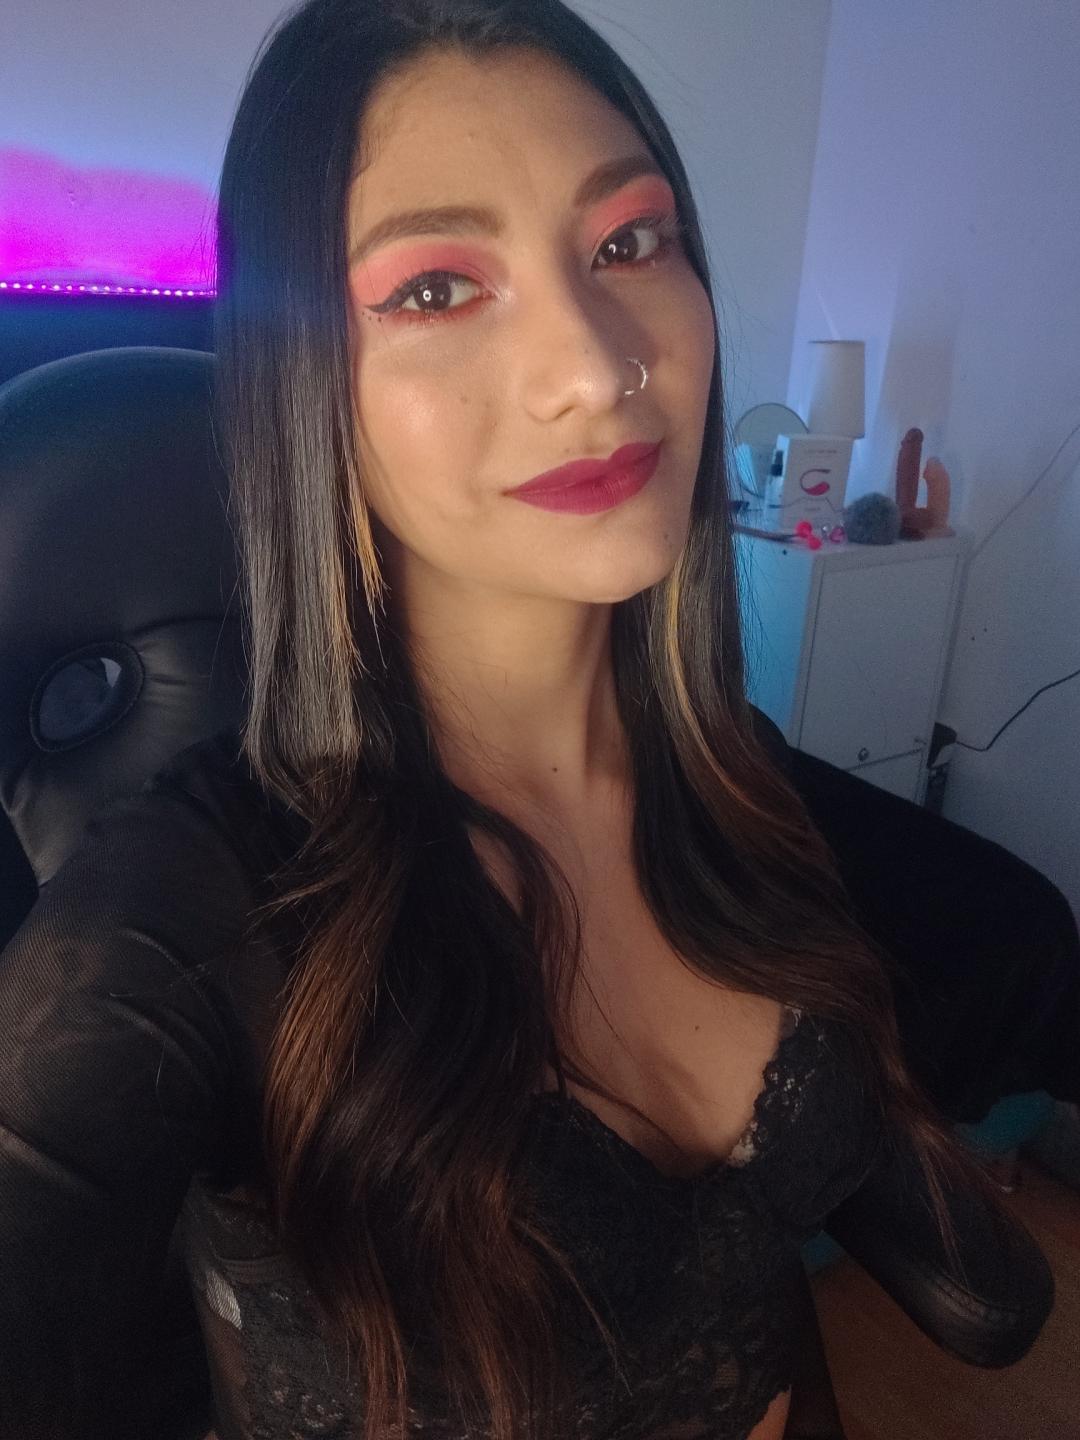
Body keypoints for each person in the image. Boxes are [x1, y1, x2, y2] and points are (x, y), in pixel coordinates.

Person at [0, 3, 1044, 1439]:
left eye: (629, 242)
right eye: (436, 288)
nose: (598, 369)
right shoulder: (176, 923)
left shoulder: (732, 774)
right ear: (305, 383)